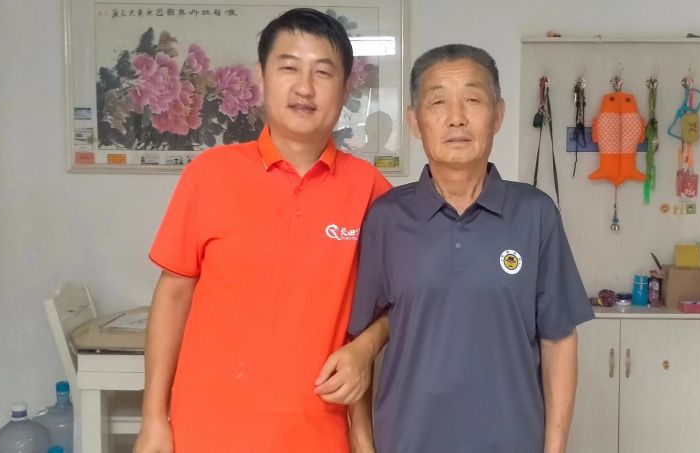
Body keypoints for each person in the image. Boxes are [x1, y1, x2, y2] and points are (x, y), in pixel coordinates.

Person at [134, 8, 390, 452]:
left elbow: (404, 299)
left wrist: (364, 349)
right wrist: (154, 418)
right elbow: (173, 296)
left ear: (346, 88)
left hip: (319, 432)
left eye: (323, 72)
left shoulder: (370, 189)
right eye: (288, 67)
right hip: (208, 430)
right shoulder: (209, 174)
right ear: (261, 77)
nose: (305, 87)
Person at [346, 44, 594, 453]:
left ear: (498, 115)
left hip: (512, 441)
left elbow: (559, 341)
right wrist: (362, 443)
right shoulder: (387, 218)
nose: (456, 117)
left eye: (473, 100)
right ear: (414, 121)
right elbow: (358, 345)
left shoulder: (535, 214)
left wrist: (555, 449)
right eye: (438, 102)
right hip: (407, 441)